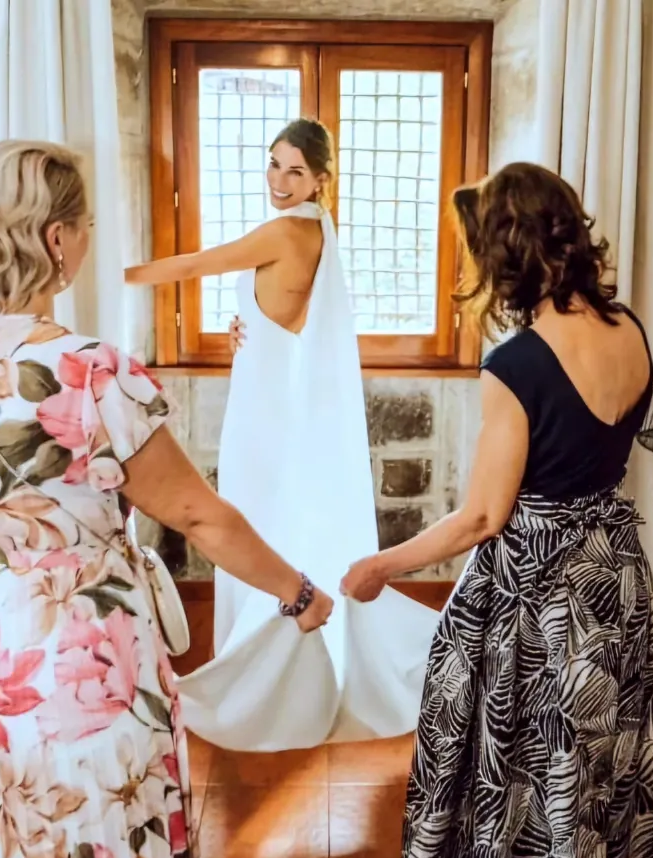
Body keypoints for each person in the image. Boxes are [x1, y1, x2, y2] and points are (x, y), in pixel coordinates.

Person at [0, 138, 332, 858]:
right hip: (76, 651)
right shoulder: (88, 372)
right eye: (86, 223)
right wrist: (299, 592)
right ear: (57, 240)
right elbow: (198, 513)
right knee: (102, 849)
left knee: (6, 849)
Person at [342, 162, 653, 858]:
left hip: (538, 602)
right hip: (617, 584)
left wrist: (380, 567)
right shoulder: (631, 329)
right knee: (603, 779)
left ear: (504, 254)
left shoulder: (515, 362)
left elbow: (480, 518)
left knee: (522, 790)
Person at [125, 117, 440, 752]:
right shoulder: (320, 228)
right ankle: (284, 647)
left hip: (267, 405)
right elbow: (279, 309)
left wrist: (117, 276)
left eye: (295, 170)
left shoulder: (283, 230)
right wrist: (247, 328)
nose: (279, 179)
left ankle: (269, 674)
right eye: (273, 164)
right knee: (270, 515)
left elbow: (198, 263)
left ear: (322, 179)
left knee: (255, 513)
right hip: (271, 387)